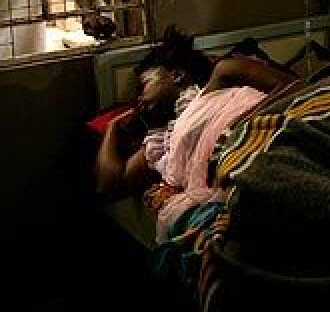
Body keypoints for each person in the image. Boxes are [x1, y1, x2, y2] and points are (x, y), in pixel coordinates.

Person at [94, 27, 297, 236]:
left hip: (268, 139)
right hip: (241, 173)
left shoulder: (224, 74)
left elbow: (299, 91)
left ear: (177, 75)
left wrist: (239, 127)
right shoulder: (163, 143)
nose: (138, 98)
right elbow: (108, 185)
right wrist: (113, 127)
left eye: (145, 85)